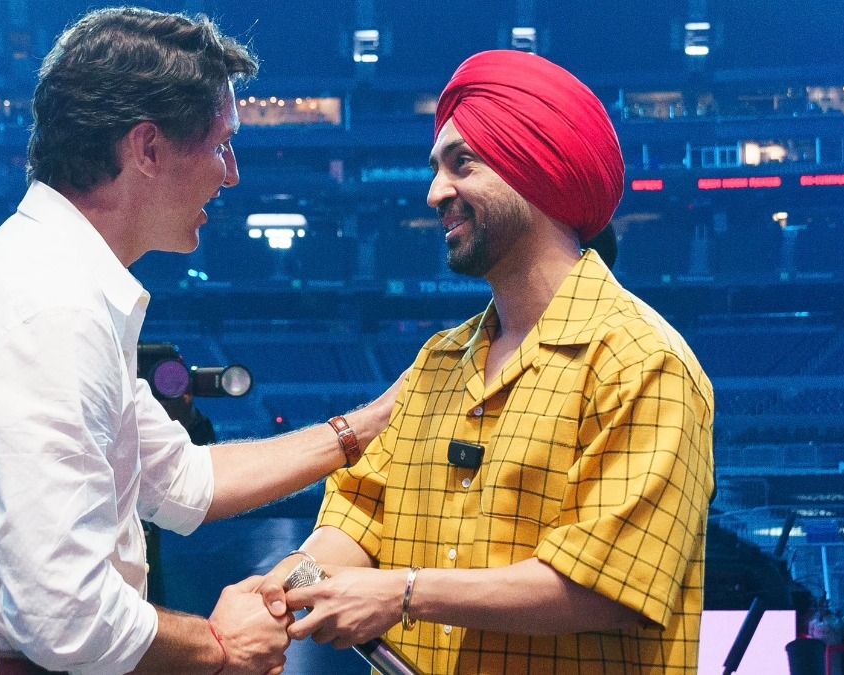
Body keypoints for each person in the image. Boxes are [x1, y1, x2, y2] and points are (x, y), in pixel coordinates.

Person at [0, 7, 400, 675]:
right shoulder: (50, 304)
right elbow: (64, 615)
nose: (232, 171)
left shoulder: (56, 278)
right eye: (220, 143)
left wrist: (369, 423)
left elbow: (183, 481)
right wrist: (218, 647)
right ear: (148, 148)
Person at [258, 50, 715, 675]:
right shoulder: (438, 362)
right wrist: (282, 588)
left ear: (539, 170)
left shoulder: (642, 362)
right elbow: (360, 513)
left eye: (460, 164)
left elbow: (607, 585)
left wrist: (403, 593)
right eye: (436, 168)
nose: (434, 191)